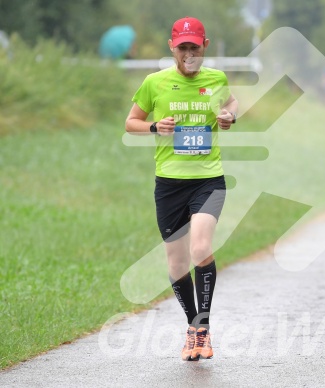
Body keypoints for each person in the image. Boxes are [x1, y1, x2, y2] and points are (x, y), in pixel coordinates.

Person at [125, 16, 238, 362]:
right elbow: (131, 123)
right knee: (176, 264)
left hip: (208, 178)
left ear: (204, 46)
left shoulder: (216, 79)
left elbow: (231, 104)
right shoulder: (154, 83)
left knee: (201, 247)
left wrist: (230, 117)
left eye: (194, 47)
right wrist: (156, 126)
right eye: (182, 47)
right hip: (169, 183)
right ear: (172, 48)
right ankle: (194, 327)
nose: (189, 53)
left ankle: (202, 329)